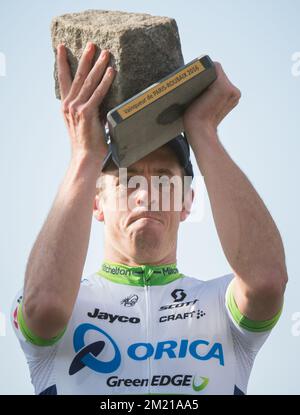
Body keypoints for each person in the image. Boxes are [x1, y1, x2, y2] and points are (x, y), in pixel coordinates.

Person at [11, 42, 288, 395]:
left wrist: (203, 130)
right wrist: (85, 155)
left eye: (163, 179)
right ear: (95, 203)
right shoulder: (65, 302)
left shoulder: (219, 304)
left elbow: (266, 281)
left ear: (187, 201)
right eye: (127, 181)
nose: (145, 194)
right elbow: (43, 307)